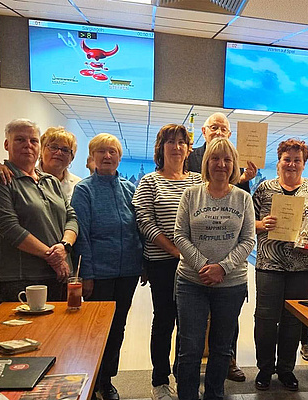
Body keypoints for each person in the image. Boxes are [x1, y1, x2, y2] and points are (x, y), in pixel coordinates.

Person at [253, 138, 308, 392]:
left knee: (293, 320)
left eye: (297, 160)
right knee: (266, 318)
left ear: (303, 164)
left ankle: (287, 370)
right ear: (278, 162)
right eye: (287, 159)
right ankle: (265, 369)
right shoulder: (264, 189)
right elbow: (248, 222)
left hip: (304, 266)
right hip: (270, 264)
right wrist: (262, 225)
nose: (291, 164)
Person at [173, 138, 256, 400]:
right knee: (191, 348)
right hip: (191, 282)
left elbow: (248, 240)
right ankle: (187, 395)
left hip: (231, 284)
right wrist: (202, 265)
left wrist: (222, 268)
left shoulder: (243, 198)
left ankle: (215, 395)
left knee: (221, 348)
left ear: (234, 165)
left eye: (227, 160)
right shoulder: (191, 194)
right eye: (215, 159)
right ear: (206, 163)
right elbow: (179, 235)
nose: (221, 164)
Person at [133, 124, 202, 400]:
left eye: (181, 142)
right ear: (160, 148)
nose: (176, 147)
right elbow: (145, 222)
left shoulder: (198, 181)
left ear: (188, 149)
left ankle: (184, 376)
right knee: (164, 320)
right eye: (170, 142)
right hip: (162, 263)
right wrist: (176, 250)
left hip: (193, 264)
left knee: (190, 324)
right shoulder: (150, 181)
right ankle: (160, 380)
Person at [71, 133, 142, 400]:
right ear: (92, 157)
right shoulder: (84, 190)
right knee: (95, 330)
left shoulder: (128, 189)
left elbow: (138, 229)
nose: (107, 156)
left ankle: (107, 379)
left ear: (119, 157)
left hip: (127, 272)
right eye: (101, 151)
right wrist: (86, 274)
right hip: (99, 273)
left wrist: (142, 263)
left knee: (118, 326)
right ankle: (90, 376)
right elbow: (83, 235)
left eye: (112, 151)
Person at [0, 119, 77, 307]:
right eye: (20, 140)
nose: (28, 145)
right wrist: (52, 257)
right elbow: (9, 228)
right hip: (19, 278)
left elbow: (71, 217)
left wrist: (64, 246)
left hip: (59, 275)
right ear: (7, 144)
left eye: (33, 141)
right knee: (18, 336)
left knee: (57, 335)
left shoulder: (51, 182)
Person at [0, 127, 81, 202]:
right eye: (53, 147)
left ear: (72, 157)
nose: (59, 152)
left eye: (66, 150)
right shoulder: (16, 174)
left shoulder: (79, 185)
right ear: (41, 150)